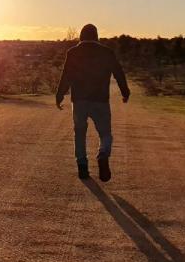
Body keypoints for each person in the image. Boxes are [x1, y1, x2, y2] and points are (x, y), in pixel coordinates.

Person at [55, 24, 130, 182]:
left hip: (79, 100)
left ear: (81, 36)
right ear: (96, 36)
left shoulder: (73, 52)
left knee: (80, 133)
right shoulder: (107, 52)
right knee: (105, 133)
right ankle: (103, 154)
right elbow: (118, 73)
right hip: (100, 100)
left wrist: (59, 94)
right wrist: (125, 92)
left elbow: (66, 75)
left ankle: (82, 166)